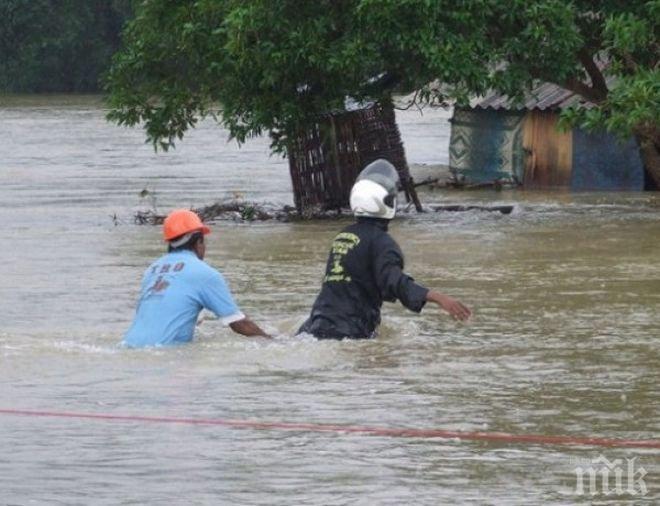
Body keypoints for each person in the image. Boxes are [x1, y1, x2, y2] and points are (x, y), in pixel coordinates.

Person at [299, 159, 471, 339]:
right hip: (347, 330)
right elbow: (393, 281)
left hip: (316, 322)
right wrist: (438, 297)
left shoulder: (343, 236)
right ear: (386, 202)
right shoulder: (382, 243)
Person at [123, 209, 269, 347]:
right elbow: (239, 324)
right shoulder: (205, 274)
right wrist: (274, 341)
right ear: (199, 242)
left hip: (127, 346)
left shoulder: (152, 270)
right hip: (164, 354)